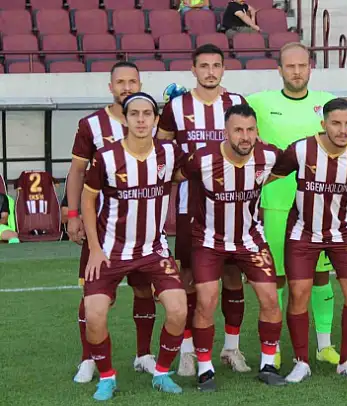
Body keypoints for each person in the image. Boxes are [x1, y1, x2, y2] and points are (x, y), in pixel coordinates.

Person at [268, 98, 347, 382]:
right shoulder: (301, 150)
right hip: (304, 233)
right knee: (299, 294)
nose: (343, 130)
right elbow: (270, 176)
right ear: (323, 124)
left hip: (344, 233)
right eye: (336, 123)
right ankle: (301, 361)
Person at [81, 93, 188, 401]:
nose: (141, 119)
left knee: (178, 309)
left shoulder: (169, 152)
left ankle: (161, 373)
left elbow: (195, 168)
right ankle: (107, 377)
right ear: (125, 119)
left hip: (153, 250)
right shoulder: (106, 157)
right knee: (94, 314)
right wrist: (94, 249)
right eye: (135, 114)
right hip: (110, 250)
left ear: (156, 119)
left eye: (147, 114)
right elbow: (88, 200)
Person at [175, 104, 285, 390]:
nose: (245, 136)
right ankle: (205, 368)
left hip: (250, 239)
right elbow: (176, 176)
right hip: (209, 240)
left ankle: (268, 365)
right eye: (238, 130)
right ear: (225, 132)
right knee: (207, 300)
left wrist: (261, 179)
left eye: (250, 130)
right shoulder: (203, 158)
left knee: (270, 299)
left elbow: (288, 166)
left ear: (257, 131)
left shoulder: (268, 155)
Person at [157, 44, 249, 376]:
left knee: (232, 275)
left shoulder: (236, 102)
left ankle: (231, 348)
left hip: (233, 204)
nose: (210, 71)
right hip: (190, 205)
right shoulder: (176, 107)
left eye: (216, 65)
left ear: (223, 69)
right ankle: (187, 352)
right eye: (204, 65)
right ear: (193, 69)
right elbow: (162, 149)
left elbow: (249, 147)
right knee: (189, 276)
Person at [246, 42, 340, 367]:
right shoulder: (259, 103)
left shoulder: (327, 102)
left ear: (310, 68)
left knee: (320, 276)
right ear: (280, 70)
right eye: (290, 66)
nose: (297, 72)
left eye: (302, 65)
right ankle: (273, 347)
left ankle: (324, 345)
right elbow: (233, 122)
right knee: (277, 278)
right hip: (275, 204)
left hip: (319, 206)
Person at [65, 61, 157, 384]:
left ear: (140, 84)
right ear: (110, 87)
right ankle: (88, 358)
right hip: (102, 229)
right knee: (92, 294)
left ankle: (143, 355)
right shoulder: (91, 124)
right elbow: (77, 171)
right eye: (121, 82)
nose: (127, 87)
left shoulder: (152, 121)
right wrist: (73, 214)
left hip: (144, 229)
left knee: (144, 289)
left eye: (133, 81)